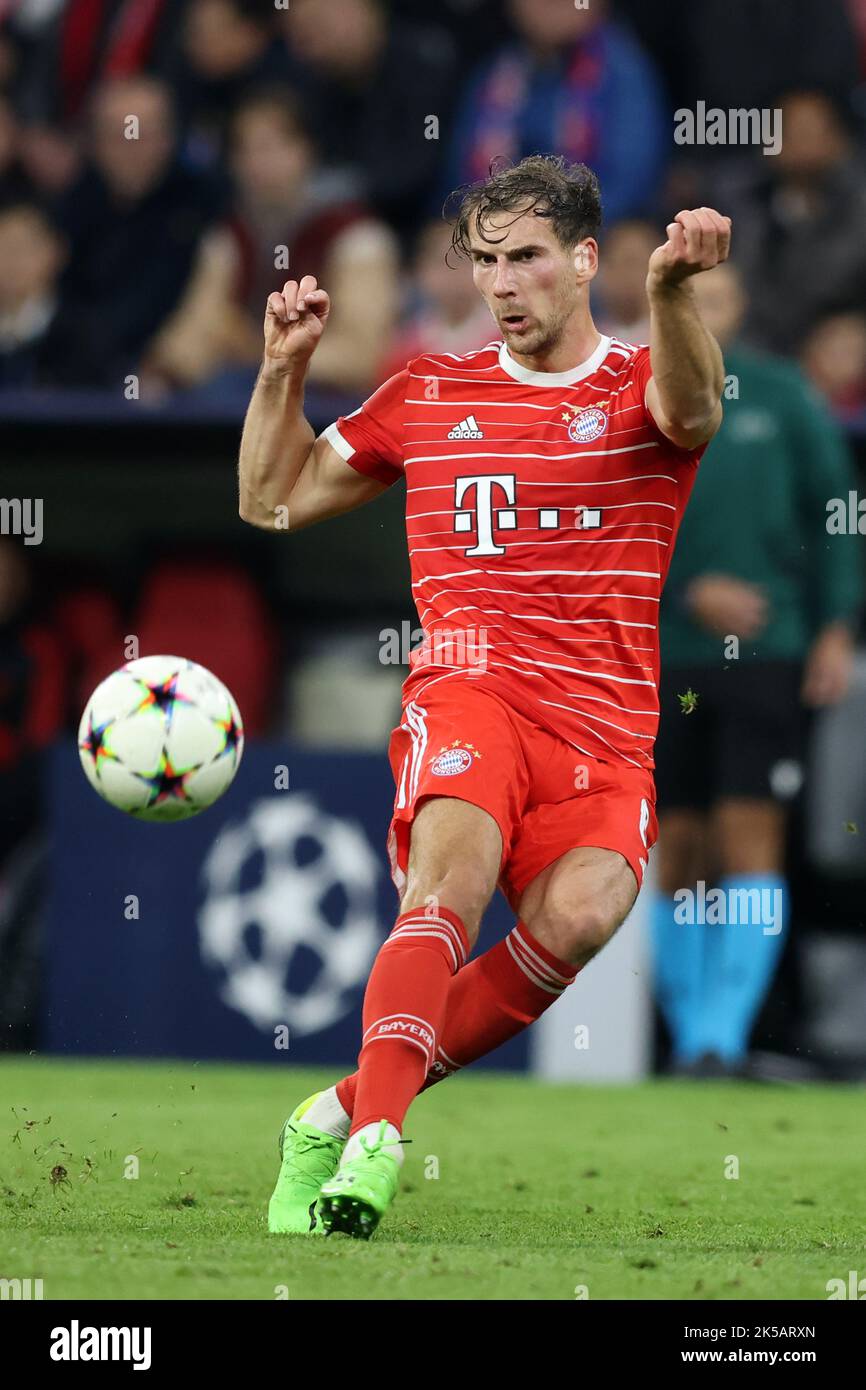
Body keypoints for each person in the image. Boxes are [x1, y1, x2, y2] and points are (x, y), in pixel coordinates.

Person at [238, 155, 730, 1239]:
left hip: (604, 724)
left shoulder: (641, 383)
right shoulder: (428, 392)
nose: (500, 285)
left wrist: (671, 292)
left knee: (584, 911)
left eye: (525, 260)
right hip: (468, 690)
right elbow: (268, 500)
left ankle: (334, 1110)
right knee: (447, 887)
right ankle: (375, 1147)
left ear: (584, 260)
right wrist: (282, 371)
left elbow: (693, 412)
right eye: (484, 262)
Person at [651, 261, 861, 1076]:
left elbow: (838, 514)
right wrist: (687, 587)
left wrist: (836, 629)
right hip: (666, 658)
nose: (705, 312)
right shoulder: (638, 396)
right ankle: (689, 1033)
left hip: (770, 656)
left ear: (742, 308)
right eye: (688, 298)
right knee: (677, 848)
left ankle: (720, 1040)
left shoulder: (780, 395)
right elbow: (595, 527)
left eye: (719, 297)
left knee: (749, 835)